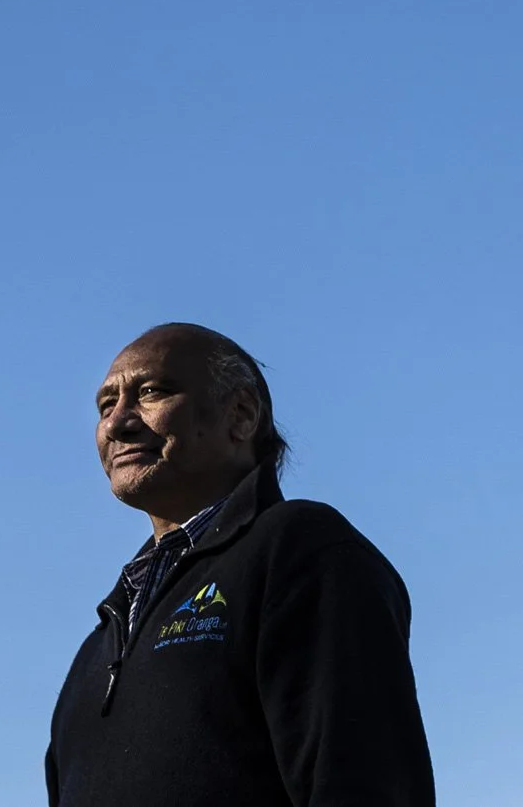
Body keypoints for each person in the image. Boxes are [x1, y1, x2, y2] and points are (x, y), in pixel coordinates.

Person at [47, 322, 434, 806]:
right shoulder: (98, 643)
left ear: (242, 414)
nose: (118, 422)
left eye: (151, 392)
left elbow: (363, 780)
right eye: (106, 405)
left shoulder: (299, 548)